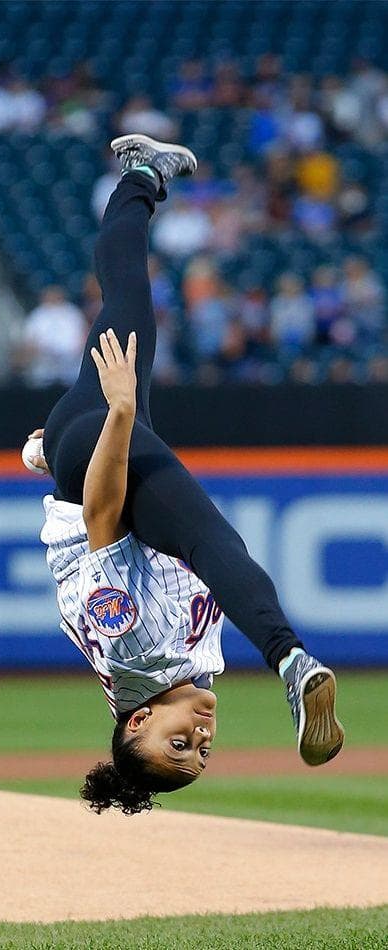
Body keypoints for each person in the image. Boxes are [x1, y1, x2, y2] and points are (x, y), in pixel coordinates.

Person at [26, 134, 345, 815]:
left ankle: (290, 661)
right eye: (202, 754)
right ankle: (142, 172)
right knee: (128, 295)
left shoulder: (131, 648)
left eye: (178, 747)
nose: (199, 739)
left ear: (138, 721)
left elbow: (104, 513)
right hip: (85, 448)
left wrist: (117, 415)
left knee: (211, 540)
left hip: (95, 458)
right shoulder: (188, 669)